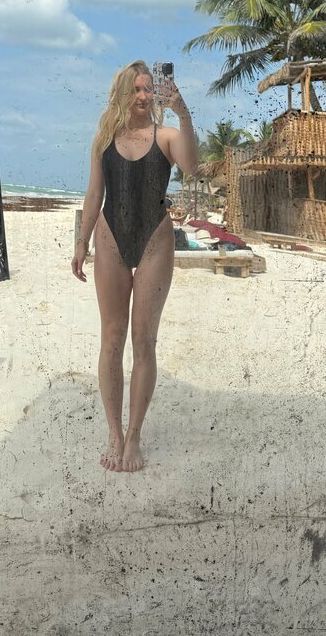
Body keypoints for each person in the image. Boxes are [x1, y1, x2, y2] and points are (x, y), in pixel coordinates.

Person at [71, 60, 199, 472]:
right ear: (122, 94)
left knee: (144, 342)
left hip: (154, 242)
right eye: (136, 89)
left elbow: (192, 166)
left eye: (148, 89)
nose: (143, 96)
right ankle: (114, 431)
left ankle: (134, 436)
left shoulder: (166, 136)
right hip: (110, 239)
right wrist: (81, 243)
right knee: (112, 338)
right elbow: (94, 195)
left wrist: (182, 112)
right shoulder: (103, 140)